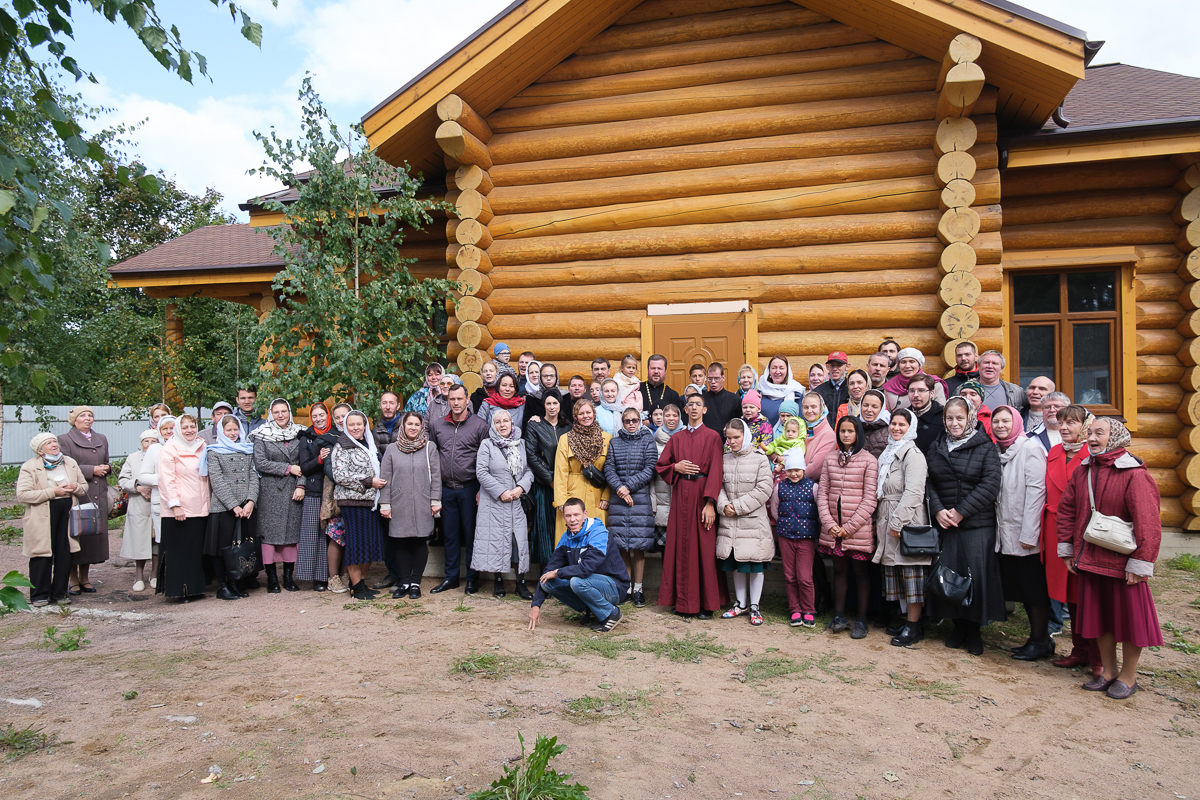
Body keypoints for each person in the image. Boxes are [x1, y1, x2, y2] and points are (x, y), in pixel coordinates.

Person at [1057, 418, 1162, 699]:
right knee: (1099, 618)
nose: (1091, 438)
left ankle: (1128, 677)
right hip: (1091, 558)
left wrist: (1141, 562)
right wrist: (1067, 548)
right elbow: (1067, 510)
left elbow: (1148, 521)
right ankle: (1108, 671)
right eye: (1089, 432)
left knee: (1128, 621)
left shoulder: (1135, 474)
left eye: (1098, 433)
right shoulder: (1084, 471)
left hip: (1123, 562)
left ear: (1114, 437)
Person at [926, 397, 1005, 656]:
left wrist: (961, 512)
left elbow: (990, 484)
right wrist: (938, 510)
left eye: (960, 417)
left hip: (976, 524)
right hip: (946, 523)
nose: (954, 422)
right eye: (950, 418)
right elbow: (930, 483)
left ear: (970, 417)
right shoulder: (937, 446)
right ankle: (957, 626)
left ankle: (974, 630)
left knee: (975, 576)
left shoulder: (985, 446)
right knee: (950, 575)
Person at [655, 393, 728, 618]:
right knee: (680, 547)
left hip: (701, 496)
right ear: (685, 410)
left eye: (698, 404)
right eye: (690, 404)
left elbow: (716, 470)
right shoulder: (676, 438)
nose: (694, 408)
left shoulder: (713, 436)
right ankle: (683, 602)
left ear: (704, 410)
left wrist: (710, 503)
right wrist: (675, 467)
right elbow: (661, 466)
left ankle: (706, 604)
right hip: (680, 496)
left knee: (704, 549)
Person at [991, 405, 1052, 661]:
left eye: (1006, 421)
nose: (1000, 426)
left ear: (1016, 423)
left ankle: (1041, 640)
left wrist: (1030, 534)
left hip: (1025, 534)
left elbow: (1037, 493)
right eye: (996, 422)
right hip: (1004, 530)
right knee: (1020, 587)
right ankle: (1035, 639)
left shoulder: (1030, 449)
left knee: (1033, 589)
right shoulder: (998, 450)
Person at [1045, 405, 1100, 673]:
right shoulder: (1055, 452)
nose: (1064, 427)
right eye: (1061, 422)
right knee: (1067, 593)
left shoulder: (1094, 454)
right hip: (1054, 528)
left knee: (1087, 594)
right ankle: (1079, 650)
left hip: (1085, 530)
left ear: (1085, 426)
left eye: (1071, 423)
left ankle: (1098, 657)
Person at [870, 409, 931, 647]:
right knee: (897, 573)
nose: (896, 428)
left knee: (911, 573)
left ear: (910, 427)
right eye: (893, 424)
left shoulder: (912, 454)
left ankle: (914, 626)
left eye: (901, 425)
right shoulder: (889, 452)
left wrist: (898, 521)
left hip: (905, 521)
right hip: (887, 516)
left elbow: (914, 491)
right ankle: (906, 619)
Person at [527, 498, 631, 633]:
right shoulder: (566, 537)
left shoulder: (598, 533)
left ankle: (611, 613)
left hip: (615, 586)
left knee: (577, 581)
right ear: (563, 517)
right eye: (568, 515)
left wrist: (558, 572)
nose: (572, 519)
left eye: (576, 515)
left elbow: (586, 568)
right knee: (547, 582)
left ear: (585, 514)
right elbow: (548, 571)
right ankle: (593, 610)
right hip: (590, 583)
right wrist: (536, 605)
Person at [817, 415, 879, 639]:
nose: (845, 435)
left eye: (850, 431)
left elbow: (870, 499)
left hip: (857, 529)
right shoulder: (830, 458)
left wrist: (849, 527)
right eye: (842, 431)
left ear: (858, 434)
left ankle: (862, 619)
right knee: (840, 570)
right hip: (834, 528)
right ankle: (839, 615)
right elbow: (822, 494)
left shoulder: (869, 460)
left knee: (860, 572)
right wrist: (830, 523)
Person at [427, 384, 490, 593]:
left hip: (470, 488)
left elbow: (486, 460)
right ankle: (451, 576)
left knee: (471, 534)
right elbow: (433, 456)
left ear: (467, 400)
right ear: (448, 401)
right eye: (452, 399)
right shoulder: (437, 426)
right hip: (446, 489)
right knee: (450, 535)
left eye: (459, 399)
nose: (455, 403)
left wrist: (482, 489)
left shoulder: (480, 425)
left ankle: (473, 577)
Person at [716, 419, 776, 626]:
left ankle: (755, 606)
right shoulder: (724, 459)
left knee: (754, 564)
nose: (732, 442)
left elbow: (764, 489)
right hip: (730, 521)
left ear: (746, 436)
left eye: (736, 437)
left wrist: (738, 506)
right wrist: (724, 505)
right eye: (729, 438)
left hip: (752, 522)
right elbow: (718, 485)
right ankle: (740, 603)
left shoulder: (760, 459)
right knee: (736, 563)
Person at [17, 433, 89, 606]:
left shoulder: (69, 462)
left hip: (67, 512)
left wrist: (75, 487)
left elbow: (84, 487)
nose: (54, 444)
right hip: (42, 513)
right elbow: (22, 494)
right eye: (48, 443)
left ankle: (59, 593)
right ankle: (39, 595)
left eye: (54, 441)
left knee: (65, 552)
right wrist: (52, 492)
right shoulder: (30, 466)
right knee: (42, 553)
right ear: (40, 450)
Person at [380, 411, 442, 599]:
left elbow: (437, 477)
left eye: (417, 424)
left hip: (423, 503)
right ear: (403, 426)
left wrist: (435, 500)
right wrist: (385, 503)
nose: (413, 428)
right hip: (399, 502)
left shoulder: (429, 447)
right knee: (400, 543)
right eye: (410, 424)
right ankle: (404, 581)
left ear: (421, 427)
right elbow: (385, 478)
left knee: (419, 543)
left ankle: (415, 582)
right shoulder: (392, 449)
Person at [473, 408, 534, 598]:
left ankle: (520, 582)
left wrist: (521, 488)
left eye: (506, 421)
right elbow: (481, 472)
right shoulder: (487, 445)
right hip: (494, 502)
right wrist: (501, 492)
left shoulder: (522, 443)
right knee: (496, 541)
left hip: (516, 500)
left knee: (518, 542)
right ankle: (498, 580)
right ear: (493, 425)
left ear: (512, 423)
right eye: (498, 422)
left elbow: (530, 470)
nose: (502, 425)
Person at [604, 408, 658, 607]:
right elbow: (609, 468)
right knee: (622, 547)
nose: (631, 424)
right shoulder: (614, 442)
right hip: (619, 500)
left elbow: (650, 468)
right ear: (622, 422)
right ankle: (626, 587)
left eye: (635, 420)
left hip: (639, 499)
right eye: (627, 421)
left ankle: (639, 588)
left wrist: (628, 486)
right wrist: (619, 488)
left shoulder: (647, 440)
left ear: (640, 420)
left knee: (638, 546)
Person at [251, 399, 305, 594]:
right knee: (269, 537)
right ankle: (272, 578)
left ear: (289, 412)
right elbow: (260, 463)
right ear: (271, 414)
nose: (280, 415)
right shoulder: (261, 435)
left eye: (284, 411)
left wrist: (301, 485)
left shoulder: (300, 433)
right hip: (270, 491)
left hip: (294, 490)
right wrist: (288, 468)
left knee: (291, 535)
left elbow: (305, 463)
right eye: (276, 412)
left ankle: (288, 578)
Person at [331, 410, 387, 600]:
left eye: (359, 424)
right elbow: (339, 475)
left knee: (369, 545)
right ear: (345, 426)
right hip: (352, 502)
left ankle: (361, 583)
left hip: (372, 502)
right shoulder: (341, 445)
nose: (355, 427)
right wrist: (368, 482)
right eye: (351, 424)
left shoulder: (370, 443)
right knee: (356, 545)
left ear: (365, 425)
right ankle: (356, 587)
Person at [203, 414, 259, 600]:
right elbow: (217, 481)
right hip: (224, 507)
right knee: (223, 548)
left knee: (241, 547)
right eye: (229, 430)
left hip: (246, 507)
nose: (233, 433)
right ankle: (222, 585)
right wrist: (233, 505)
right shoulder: (214, 451)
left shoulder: (247, 449)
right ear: (221, 431)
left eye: (235, 429)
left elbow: (254, 477)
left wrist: (251, 500)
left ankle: (237, 581)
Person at [157, 414, 209, 602]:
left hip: (201, 508)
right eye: (185, 427)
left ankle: (195, 588)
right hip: (180, 510)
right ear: (178, 429)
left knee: (194, 551)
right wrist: (175, 505)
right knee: (179, 552)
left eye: (192, 426)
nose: (189, 430)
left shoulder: (202, 445)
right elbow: (166, 480)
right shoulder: (169, 449)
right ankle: (179, 590)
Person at [58, 405, 110, 595]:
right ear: (74, 419)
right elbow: (65, 466)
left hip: (99, 492)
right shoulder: (65, 440)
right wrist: (91, 470)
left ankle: (85, 578)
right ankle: (72, 579)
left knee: (92, 534)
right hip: (77, 493)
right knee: (76, 534)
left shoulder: (101, 438)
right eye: (83, 415)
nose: (87, 418)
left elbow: (107, 460)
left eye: (90, 415)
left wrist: (106, 468)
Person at [769, 448, 819, 627]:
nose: (794, 474)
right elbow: (775, 509)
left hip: (806, 537)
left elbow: (819, 510)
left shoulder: (813, 487)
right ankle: (795, 609)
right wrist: (784, 524)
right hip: (786, 536)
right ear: (785, 471)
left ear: (803, 470)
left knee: (805, 576)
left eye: (797, 470)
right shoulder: (780, 487)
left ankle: (808, 609)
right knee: (790, 576)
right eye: (790, 470)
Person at [554, 399, 612, 539]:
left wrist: (606, 496)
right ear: (575, 416)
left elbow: (611, 470)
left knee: (595, 541)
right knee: (571, 542)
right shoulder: (565, 439)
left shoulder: (606, 438)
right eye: (581, 413)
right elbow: (560, 472)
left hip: (597, 499)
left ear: (594, 414)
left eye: (589, 412)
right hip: (572, 498)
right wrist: (561, 501)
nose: (586, 416)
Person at [526, 390, 572, 570]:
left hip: (565, 484)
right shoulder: (535, 426)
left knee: (564, 526)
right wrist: (550, 479)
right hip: (544, 485)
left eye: (555, 403)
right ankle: (545, 572)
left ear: (560, 405)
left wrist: (560, 481)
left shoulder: (567, 426)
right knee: (544, 528)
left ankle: (563, 569)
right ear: (543, 405)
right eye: (548, 404)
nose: (552, 407)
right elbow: (531, 455)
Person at [298, 402, 338, 591]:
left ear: (327, 415)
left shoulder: (337, 434)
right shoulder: (306, 437)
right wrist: (320, 459)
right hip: (314, 490)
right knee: (313, 535)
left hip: (333, 490)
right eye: (315, 416)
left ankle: (327, 576)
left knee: (329, 535)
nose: (318, 419)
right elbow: (304, 467)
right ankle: (313, 577)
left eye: (322, 415)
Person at [139, 414, 176, 590]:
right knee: (164, 542)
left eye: (172, 428)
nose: (169, 432)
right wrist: (166, 479)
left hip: (185, 502)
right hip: (160, 501)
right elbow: (143, 476)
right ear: (159, 431)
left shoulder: (183, 446)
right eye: (165, 429)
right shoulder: (154, 449)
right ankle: (163, 580)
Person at [118, 429, 158, 592]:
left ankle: (155, 574)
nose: (149, 445)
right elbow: (123, 479)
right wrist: (138, 487)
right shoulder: (133, 458)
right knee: (139, 541)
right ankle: (139, 576)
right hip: (139, 503)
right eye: (146, 441)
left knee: (157, 540)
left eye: (153, 441)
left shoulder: (162, 456)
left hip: (156, 503)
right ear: (141, 443)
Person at [323, 403, 354, 593]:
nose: (341, 420)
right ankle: (333, 577)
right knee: (337, 535)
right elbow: (329, 468)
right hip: (337, 496)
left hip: (357, 496)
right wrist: (348, 479)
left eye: (345, 416)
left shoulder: (361, 436)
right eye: (337, 417)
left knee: (351, 536)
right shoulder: (330, 440)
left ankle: (346, 574)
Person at [652, 403, 683, 552]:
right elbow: (651, 477)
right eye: (667, 415)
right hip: (661, 503)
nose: (671, 419)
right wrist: (653, 505)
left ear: (680, 417)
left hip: (682, 500)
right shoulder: (654, 441)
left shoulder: (686, 438)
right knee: (666, 550)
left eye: (675, 415)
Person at [882, 348, 948, 411]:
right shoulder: (890, 386)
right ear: (899, 365)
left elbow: (941, 412)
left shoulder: (935, 384)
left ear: (919, 364)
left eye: (912, 361)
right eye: (903, 362)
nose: (907, 366)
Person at [756, 355, 804, 425]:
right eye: (774, 368)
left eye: (781, 368)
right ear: (769, 371)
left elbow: (800, 420)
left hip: (787, 434)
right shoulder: (760, 390)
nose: (777, 371)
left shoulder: (796, 392)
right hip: (763, 435)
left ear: (787, 371)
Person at [978, 351, 1028, 415]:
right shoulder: (965, 390)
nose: (990, 366)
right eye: (986, 362)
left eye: (995, 363)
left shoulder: (1016, 392)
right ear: (979, 366)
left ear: (1001, 369)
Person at [800, 392, 835, 483]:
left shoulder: (828, 435)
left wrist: (793, 476)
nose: (809, 410)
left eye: (813, 407)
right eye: (806, 407)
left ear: (821, 408)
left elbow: (815, 469)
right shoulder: (799, 428)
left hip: (811, 488)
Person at [907, 374, 944, 455]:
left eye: (921, 390)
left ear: (931, 393)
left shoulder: (943, 416)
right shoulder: (904, 416)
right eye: (912, 391)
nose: (916, 395)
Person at [702, 363, 741, 437]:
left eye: (716, 378)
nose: (713, 382)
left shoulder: (734, 399)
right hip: (706, 441)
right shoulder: (702, 400)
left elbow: (740, 423)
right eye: (710, 379)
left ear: (723, 378)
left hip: (728, 442)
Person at [860, 389, 891, 458]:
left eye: (874, 407)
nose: (869, 410)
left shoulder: (890, 429)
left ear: (881, 409)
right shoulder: (854, 425)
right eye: (865, 405)